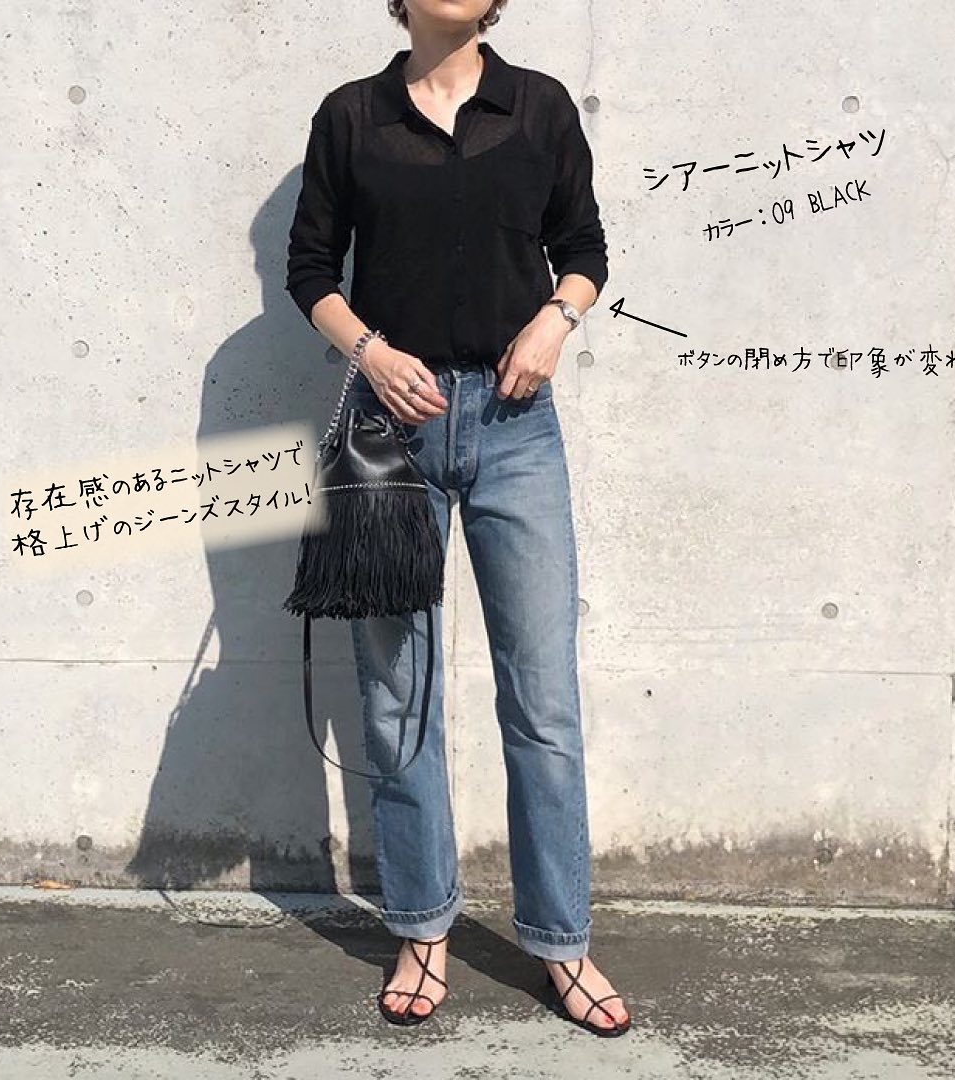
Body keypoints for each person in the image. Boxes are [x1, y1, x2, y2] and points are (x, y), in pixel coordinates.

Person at [285, 0, 630, 1036]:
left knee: (543, 700)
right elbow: (310, 268)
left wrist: (555, 321)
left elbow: (585, 246)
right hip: (389, 438)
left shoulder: (539, 107)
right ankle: (422, 927)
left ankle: (561, 941)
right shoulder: (354, 116)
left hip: (518, 428)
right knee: (398, 697)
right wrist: (370, 352)